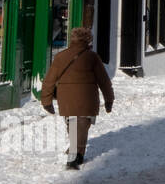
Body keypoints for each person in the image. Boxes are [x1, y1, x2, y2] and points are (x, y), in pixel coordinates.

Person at [40, 27, 114, 170]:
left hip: (66, 97)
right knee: (82, 124)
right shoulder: (92, 57)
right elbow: (104, 81)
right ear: (88, 40)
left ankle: (77, 152)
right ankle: (75, 154)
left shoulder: (61, 57)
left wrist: (46, 101)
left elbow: (49, 80)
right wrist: (109, 99)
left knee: (72, 123)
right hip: (87, 97)